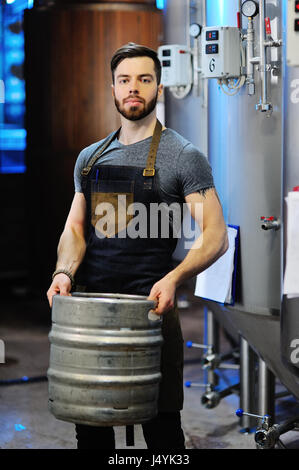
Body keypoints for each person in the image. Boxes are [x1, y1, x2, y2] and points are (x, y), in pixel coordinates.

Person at [47, 43, 228, 450]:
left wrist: (175, 278)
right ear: (112, 87)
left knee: (163, 434)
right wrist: (63, 272)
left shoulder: (183, 156)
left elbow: (216, 235)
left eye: (144, 80)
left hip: (151, 313)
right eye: (125, 80)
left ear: (158, 88)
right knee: (90, 432)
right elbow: (75, 230)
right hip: (91, 316)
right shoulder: (90, 159)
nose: (134, 88)